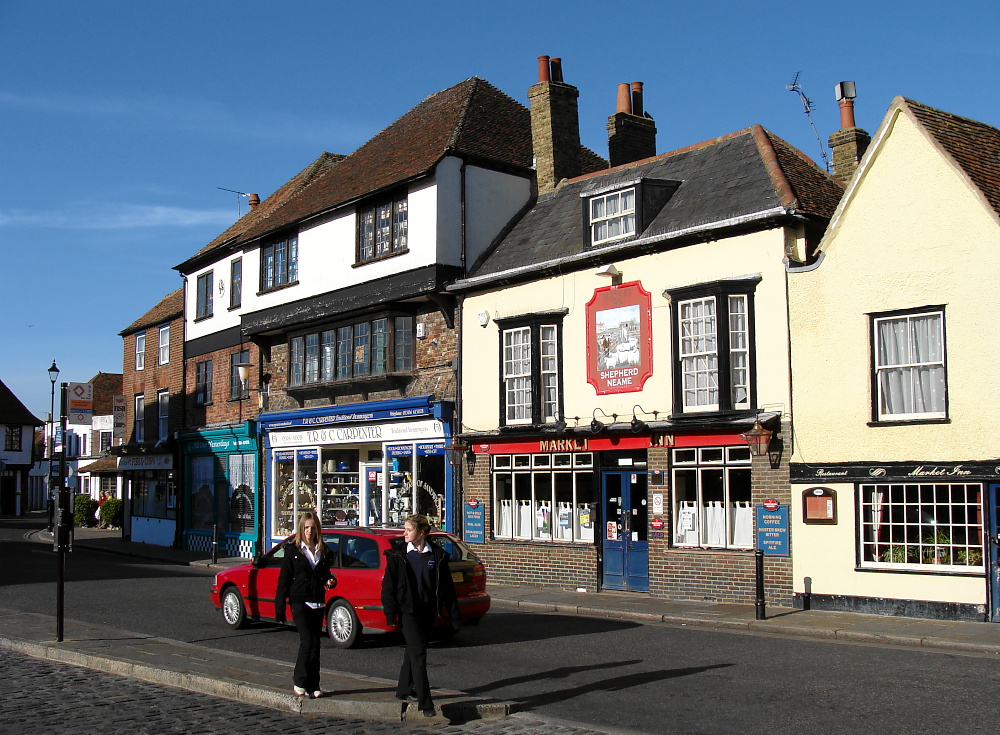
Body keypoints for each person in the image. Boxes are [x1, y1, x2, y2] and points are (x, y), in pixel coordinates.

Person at [381, 514, 461, 718]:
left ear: (421, 533)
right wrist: (390, 614)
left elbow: (446, 588)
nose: (404, 533)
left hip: (427, 611)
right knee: (419, 655)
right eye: (405, 529)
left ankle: (403, 689)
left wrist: (453, 614)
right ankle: (426, 703)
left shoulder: (436, 555)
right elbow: (388, 588)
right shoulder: (398, 555)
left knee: (414, 651)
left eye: (408, 530)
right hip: (408, 612)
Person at [275, 510, 337, 699]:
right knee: (307, 642)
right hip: (300, 600)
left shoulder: (323, 551)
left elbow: (324, 574)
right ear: (301, 529)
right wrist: (279, 610)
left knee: (316, 644)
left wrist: (330, 580)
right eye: (306, 528)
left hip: (317, 600)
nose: (309, 531)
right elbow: (283, 580)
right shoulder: (293, 551)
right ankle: (299, 680)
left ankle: (314, 684)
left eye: (312, 528)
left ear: (317, 529)